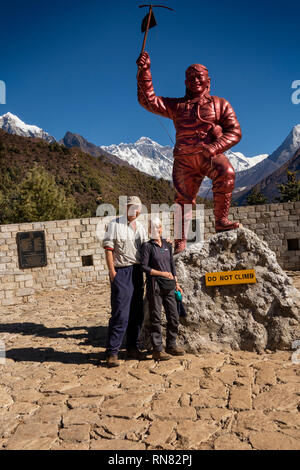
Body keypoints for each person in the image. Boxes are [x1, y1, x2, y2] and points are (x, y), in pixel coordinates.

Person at [136, 52, 242, 254]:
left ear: (208, 81)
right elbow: (148, 100)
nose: (195, 80)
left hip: (209, 156)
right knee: (182, 201)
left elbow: (235, 132)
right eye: (191, 77)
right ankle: (180, 243)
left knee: (226, 172)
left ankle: (221, 221)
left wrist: (215, 147)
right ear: (185, 82)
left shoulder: (220, 104)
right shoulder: (176, 106)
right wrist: (144, 71)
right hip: (184, 160)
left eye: (199, 76)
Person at [103, 196, 148, 367]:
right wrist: (112, 272)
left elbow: (146, 249)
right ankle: (112, 352)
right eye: (131, 207)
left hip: (137, 271)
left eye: (137, 208)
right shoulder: (114, 225)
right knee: (121, 312)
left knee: (136, 311)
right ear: (125, 207)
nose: (134, 210)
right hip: (121, 271)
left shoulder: (141, 228)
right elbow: (108, 249)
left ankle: (132, 347)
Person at [141, 217, 185, 361]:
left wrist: (176, 282)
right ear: (149, 230)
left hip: (170, 286)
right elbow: (144, 267)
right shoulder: (147, 246)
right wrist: (161, 273)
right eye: (153, 227)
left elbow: (172, 265)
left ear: (161, 228)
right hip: (155, 286)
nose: (156, 229)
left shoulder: (167, 245)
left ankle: (171, 345)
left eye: (158, 226)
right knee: (156, 318)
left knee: (173, 316)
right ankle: (158, 349)